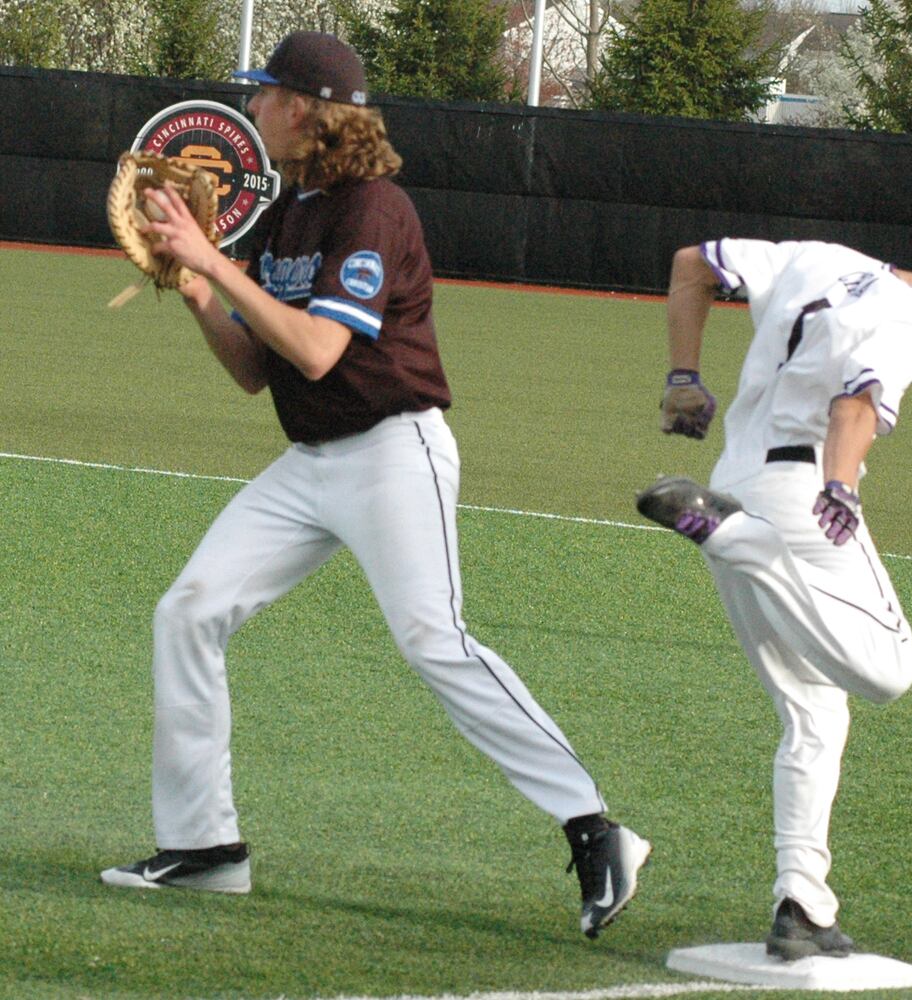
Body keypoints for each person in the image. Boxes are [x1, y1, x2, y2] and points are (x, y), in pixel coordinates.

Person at [99, 31, 650, 940]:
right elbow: (254, 369)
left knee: (435, 640)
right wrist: (197, 291)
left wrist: (211, 259)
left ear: (312, 110)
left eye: (268, 94)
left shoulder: (373, 210)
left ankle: (596, 829)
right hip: (312, 462)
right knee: (189, 610)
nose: (254, 106)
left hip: (394, 455)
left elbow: (318, 349)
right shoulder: (287, 213)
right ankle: (205, 849)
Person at [635, 239, 912, 959]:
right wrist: (841, 483)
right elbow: (855, 406)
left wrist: (682, 375)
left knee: (814, 709)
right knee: (888, 669)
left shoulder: (817, 257)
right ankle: (736, 537)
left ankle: (801, 903)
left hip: (735, 472)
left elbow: (689, 264)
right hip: (795, 498)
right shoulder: (910, 323)